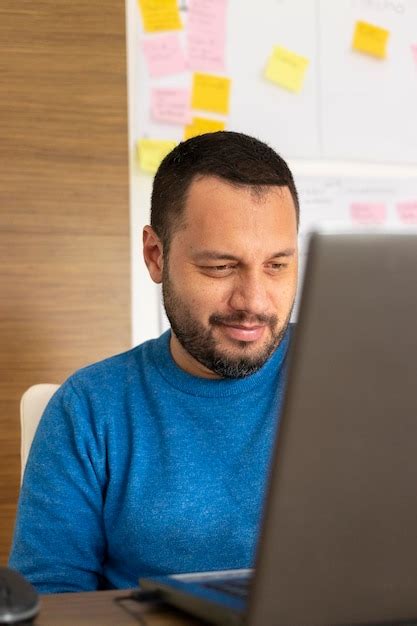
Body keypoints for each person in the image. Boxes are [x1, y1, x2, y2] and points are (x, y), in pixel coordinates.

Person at [9, 131, 299, 592]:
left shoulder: (360, 381)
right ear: (155, 255)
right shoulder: (89, 409)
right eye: (220, 267)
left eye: (277, 265)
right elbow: (49, 598)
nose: (254, 301)